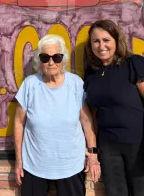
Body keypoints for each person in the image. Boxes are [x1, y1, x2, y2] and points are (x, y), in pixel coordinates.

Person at [84, 20, 144, 196]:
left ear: (116, 40)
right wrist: (93, 151)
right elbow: (92, 113)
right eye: (95, 41)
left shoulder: (134, 63)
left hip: (140, 145)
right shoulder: (92, 72)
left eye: (106, 40)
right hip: (109, 148)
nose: (101, 46)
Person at [14, 34, 101, 196]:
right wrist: (19, 161)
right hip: (34, 165)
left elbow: (87, 122)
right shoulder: (30, 84)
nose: (51, 62)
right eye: (45, 57)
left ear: (64, 59)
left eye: (57, 57)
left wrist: (94, 156)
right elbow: (19, 123)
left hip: (71, 165)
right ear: (39, 61)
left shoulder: (75, 84)